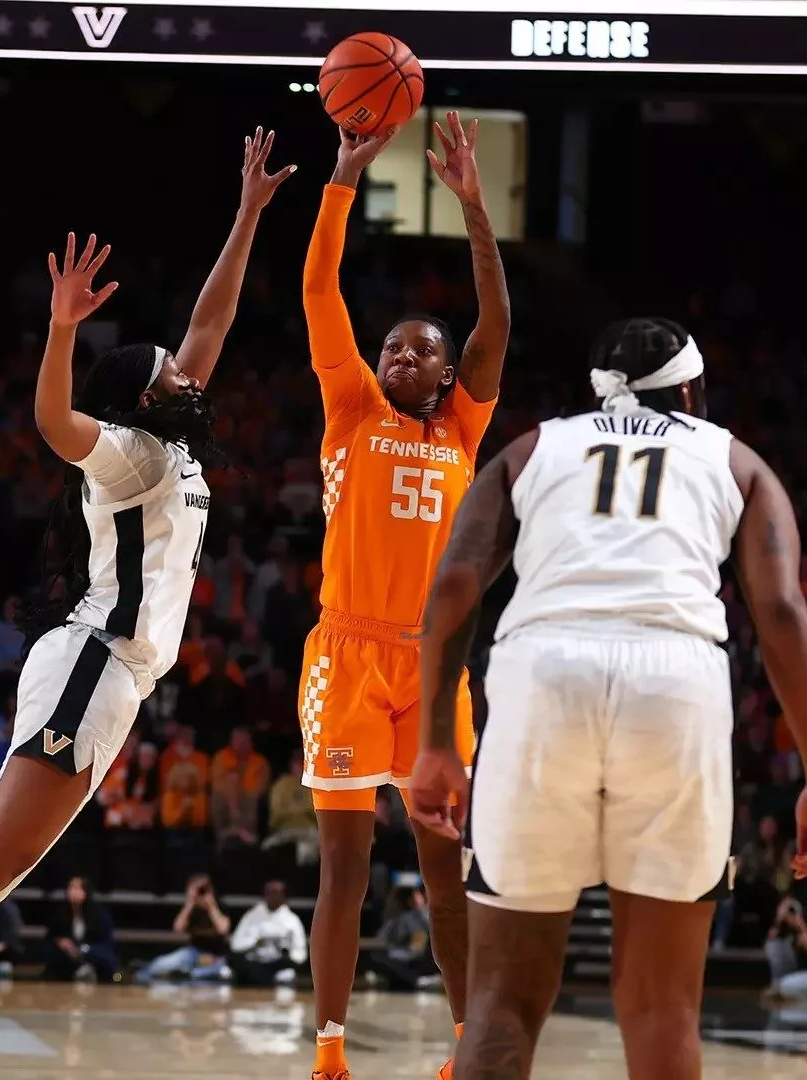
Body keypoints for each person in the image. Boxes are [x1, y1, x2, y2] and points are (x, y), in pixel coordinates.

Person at [0, 129, 293, 1075]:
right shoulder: (129, 453)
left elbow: (212, 322)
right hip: (91, 665)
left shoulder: (174, 441)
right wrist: (64, 326)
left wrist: (246, 215)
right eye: (167, 374)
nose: (186, 374)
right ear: (140, 402)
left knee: (8, 860)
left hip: (113, 677)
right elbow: (50, 421)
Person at [408, 318, 807, 1080]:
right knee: (662, 1008)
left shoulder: (535, 446)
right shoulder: (736, 460)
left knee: (501, 1000)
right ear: (688, 392)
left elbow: (452, 585)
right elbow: (779, 611)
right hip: (676, 684)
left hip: (542, 673)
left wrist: (437, 741)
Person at [298, 113, 510, 1080]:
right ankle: (331, 1049)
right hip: (344, 656)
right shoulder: (351, 410)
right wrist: (341, 181)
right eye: (393, 347)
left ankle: (468, 1045)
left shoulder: (464, 426)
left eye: (422, 350)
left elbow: (496, 325)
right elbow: (317, 288)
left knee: (446, 874)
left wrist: (473, 206)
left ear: (447, 369)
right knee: (344, 866)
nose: (403, 358)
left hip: (434, 668)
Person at [141, 873, 233, 982]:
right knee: (157, 965)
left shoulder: (220, 907)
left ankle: (190, 974)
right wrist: (190, 903)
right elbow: (178, 928)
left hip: (217, 955)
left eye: (204, 889)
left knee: (217, 971)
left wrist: (211, 906)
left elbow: (223, 929)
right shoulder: (190, 909)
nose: (201, 893)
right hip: (194, 952)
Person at [229, 880, 309, 987]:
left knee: (286, 976)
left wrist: (283, 948)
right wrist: (255, 942)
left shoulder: (292, 920)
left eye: (276, 893)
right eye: (270, 893)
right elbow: (235, 944)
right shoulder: (252, 916)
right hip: (254, 963)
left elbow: (300, 953)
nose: (273, 897)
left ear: (283, 896)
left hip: (278, 965)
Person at [42, 876, 120, 982]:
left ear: (86, 892)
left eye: (77, 888)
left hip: (92, 953)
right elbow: (51, 936)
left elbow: (106, 942)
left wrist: (83, 950)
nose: (72, 892)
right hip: (68, 956)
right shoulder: (61, 914)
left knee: (102, 957)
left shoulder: (100, 915)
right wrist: (61, 942)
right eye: (71, 887)